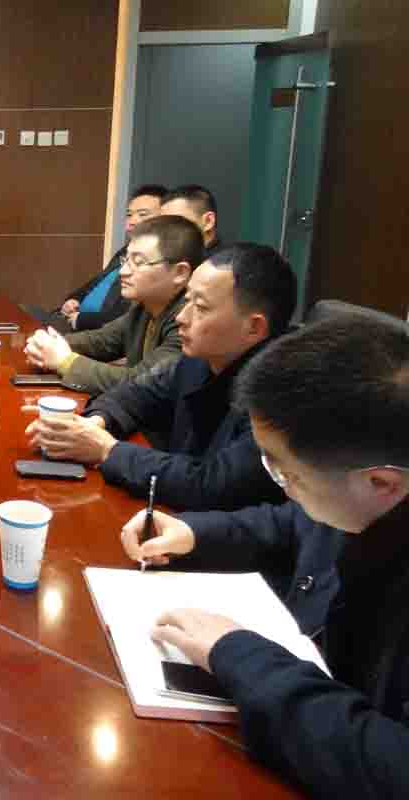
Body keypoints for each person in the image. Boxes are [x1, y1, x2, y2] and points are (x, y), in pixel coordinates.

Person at [119, 314, 409, 798]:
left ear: (381, 483)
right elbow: (297, 523)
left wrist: (241, 656)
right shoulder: (366, 494)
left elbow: (390, 766)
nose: (282, 486)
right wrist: (195, 533)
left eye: (287, 474)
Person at [28, 243, 296, 511]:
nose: (181, 317)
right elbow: (134, 394)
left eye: (200, 307)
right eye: (186, 300)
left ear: (254, 327)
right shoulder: (201, 358)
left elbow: (212, 485)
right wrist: (94, 424)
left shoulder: (281, 392)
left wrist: (106, 450)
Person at [24, 214, 201, 396]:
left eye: (138, 262)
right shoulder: (146, 306)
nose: (123, 272)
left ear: (180, 273)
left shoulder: (190, 321)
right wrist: (48, 345)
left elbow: (141, 382)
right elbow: (102, 341)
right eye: (126, 260)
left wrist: (65, 361)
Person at [47, 184, 167, 332]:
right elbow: (93, 284)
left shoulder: (159, 262)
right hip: (72, 321)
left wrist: (81, 320)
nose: (132, 221)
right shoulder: (124, 251)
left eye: (143, 215)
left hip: (95, 332)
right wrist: (73, 300)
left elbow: (126, 318)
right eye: (129, 215)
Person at [160, 184, 222, 254]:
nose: (166, 231)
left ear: (208, 221)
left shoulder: (225, 259)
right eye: (163, 224)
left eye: (177, 221)